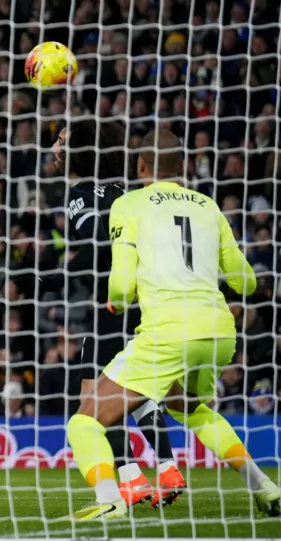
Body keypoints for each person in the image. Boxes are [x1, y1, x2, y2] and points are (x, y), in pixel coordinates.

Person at [66, 129, 281, 521]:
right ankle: (262, 485)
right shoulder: (208, 206)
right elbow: (244, 280)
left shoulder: (130, 204)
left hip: (168, 330)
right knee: (193, 410)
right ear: (181, 166)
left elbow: (120, 281)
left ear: (142, 165)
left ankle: (110, 497)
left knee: (84, 420)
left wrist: (116, 301)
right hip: (218, 332)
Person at [54, 120, 183, 509]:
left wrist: (54, 274)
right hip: (151, 302)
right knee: (132, 389)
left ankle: (129, 480)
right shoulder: (125, 190)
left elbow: (98, 239)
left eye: (61, 140)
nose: (55, 147)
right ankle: (166, 467)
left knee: (92, 395)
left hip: (114, 304)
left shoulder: (80, 193)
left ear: (78, 150)